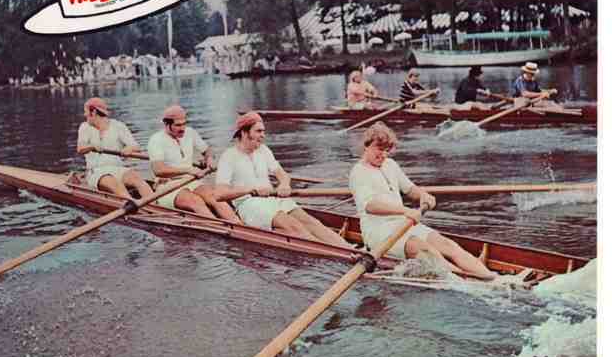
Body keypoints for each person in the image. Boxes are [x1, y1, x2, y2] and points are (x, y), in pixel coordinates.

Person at [349, 122, 530, 285]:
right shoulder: (359, 173)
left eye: (387, 150)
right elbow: (370, 206)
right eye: (378, 149)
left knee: (447, 245)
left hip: (403, 224)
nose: (383, 154)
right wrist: (405, 210)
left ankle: (494, 279)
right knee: (428, 251)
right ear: (366, 146)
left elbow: (409, 189)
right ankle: (469, 283)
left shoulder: (390, 164)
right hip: (378, 234)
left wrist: (423, 195)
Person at [214, 112, 355, 248]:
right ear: (244, 133)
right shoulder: (228, 157)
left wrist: (284, 184)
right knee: (294, 225)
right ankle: (339, 255)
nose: (263, 135)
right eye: (258, 131)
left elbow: (282, 174)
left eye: (263, 131)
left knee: (310, 221)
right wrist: (251, 189)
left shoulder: (263, 150)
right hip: (248, 204)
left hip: (271, 198)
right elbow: (219, 194)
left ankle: (350, 249)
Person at [147, 105, 242, 223]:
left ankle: (239, 225)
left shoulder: (190, 133)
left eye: (184, 124)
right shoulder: (156, 140)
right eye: (178, 125)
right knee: (196, 201)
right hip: (167, 186)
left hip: (190, 180)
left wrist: (209, 159)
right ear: (167, 125)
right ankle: (218, 228)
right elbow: (158, 170)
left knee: (215, 198)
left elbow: (207, 151)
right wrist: (188, 170)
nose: (182, 128)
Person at [77, 97, 154, 200]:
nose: (85, 115)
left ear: (94, 112)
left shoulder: (118, 126)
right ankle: (133, 204)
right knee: (114, 182)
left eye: (85, 111)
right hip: (96, 172)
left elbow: (136, 147)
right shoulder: (85, 127)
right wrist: (92, 146)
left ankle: (154, 205)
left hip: (118, 168)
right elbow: (80, 148)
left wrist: (129, 149)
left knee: (137, 179)